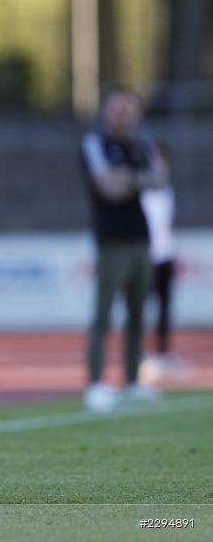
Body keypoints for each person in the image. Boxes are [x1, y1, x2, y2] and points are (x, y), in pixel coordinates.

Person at [80, 88, 167, 413]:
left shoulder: (141, 144)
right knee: (103, 315)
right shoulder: (95, 143)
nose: (123, 115)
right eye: (117, 109)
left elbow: (160, 178)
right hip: (111, 241)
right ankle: (96, 383)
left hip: (142, 240)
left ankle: (132, 380)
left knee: (138, 313)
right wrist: (138, 179)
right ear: (106, 112)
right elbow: (107, 187)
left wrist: (128, 178)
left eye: (128, 110)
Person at [139, 148, 180, 371]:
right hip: (147, 256)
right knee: (142, 306)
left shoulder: (168, 191)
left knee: (165, 306)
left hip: (166, 255)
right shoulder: (143, 193)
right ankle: (140, 352)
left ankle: (163, 351)